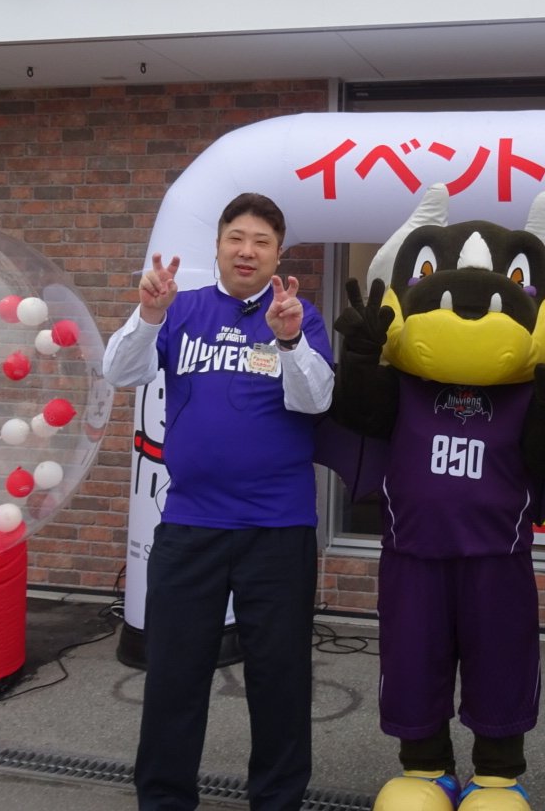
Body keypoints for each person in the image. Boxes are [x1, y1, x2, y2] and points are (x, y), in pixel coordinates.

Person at [103, 192, 334, 811]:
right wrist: (148, 315)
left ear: (278, 256)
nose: (247, 250)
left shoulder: (298, 316)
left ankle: (278, 800)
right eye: (237, 237)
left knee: (280, 679)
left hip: (278, 528)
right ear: (219, 245)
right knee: (173, 677)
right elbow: (120, 373)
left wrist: (289, 341)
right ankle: (164, 799)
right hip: (190, 524)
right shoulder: (181, 309)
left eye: (262, 242)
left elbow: (315, 401)